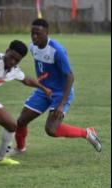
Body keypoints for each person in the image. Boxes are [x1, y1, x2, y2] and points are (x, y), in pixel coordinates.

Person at [9, 19, 102, 156]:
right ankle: (20, 149)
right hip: (43, 91)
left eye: (38, 34)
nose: (34, 37)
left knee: (51, 130)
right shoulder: (32, 47)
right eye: (32, 33)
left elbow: (70, 76)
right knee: (21, 121)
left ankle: (87, 133)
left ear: (47, 33)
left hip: (61, 93)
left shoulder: (56, 51)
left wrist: (62, 103)